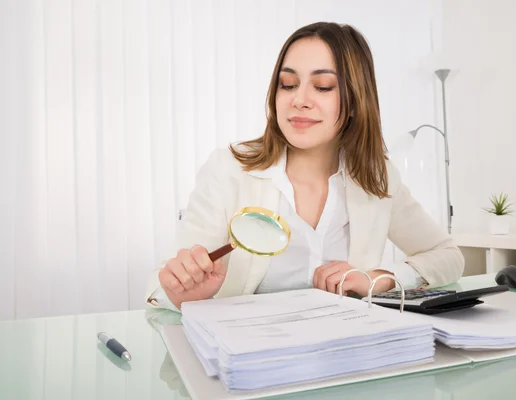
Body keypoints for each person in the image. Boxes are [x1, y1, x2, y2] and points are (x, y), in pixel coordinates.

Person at [145, 22, 464, 311]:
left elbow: (448, 257)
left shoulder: (378, 178)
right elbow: (160, 289)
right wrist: (183, 293)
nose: (299, 99)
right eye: (287, 84)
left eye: (323, 86)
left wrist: (382, 278)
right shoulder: (228, 169)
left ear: (355, 100)